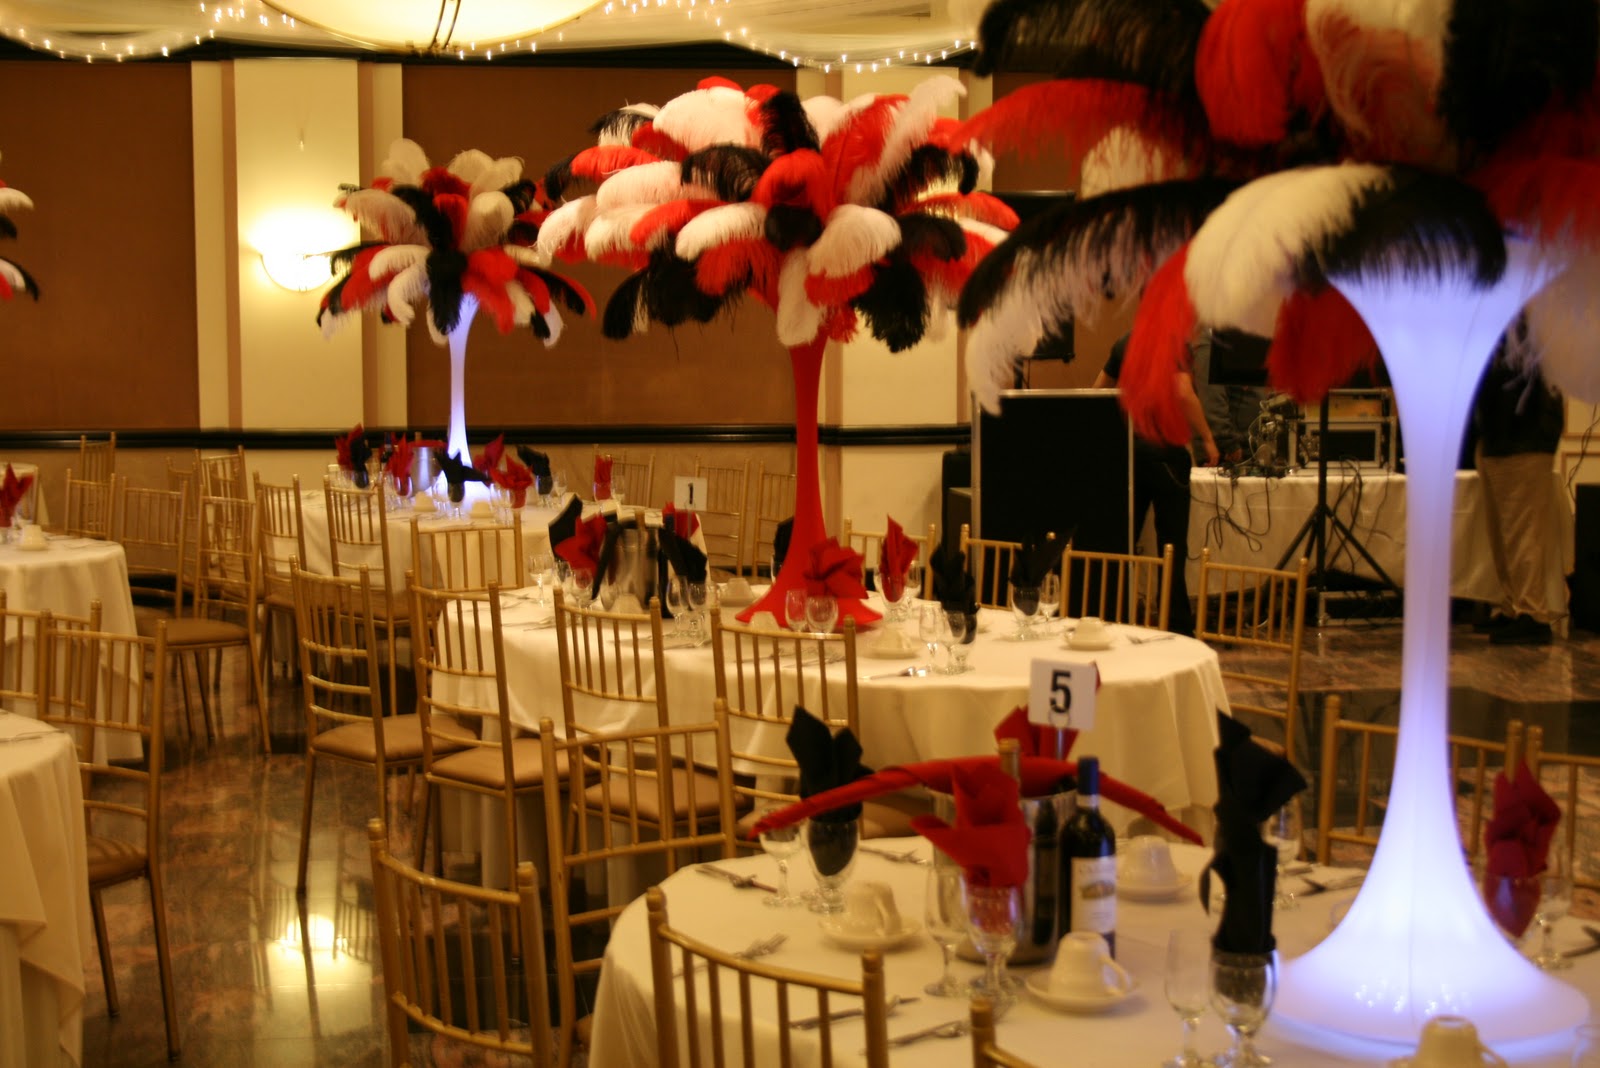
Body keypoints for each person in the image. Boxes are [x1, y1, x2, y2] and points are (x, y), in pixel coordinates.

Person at [1094, 334, 1220, 636]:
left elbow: (1098, 391)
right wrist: (1207, 437)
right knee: (1171, 546)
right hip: (1166, 453)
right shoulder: (1174, 344)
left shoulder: (1124, 343)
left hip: (1131, 454)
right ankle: (1175, 624)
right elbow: (1183, 392)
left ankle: (1114, 615)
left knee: (1124, 542)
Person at [1471, 329, 1566, 646]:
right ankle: (1513, 606)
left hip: (1523, 431)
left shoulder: (1529, 322)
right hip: (1500, 432)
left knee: (1520, 530)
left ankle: (1532, 613)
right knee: (1503, 533)